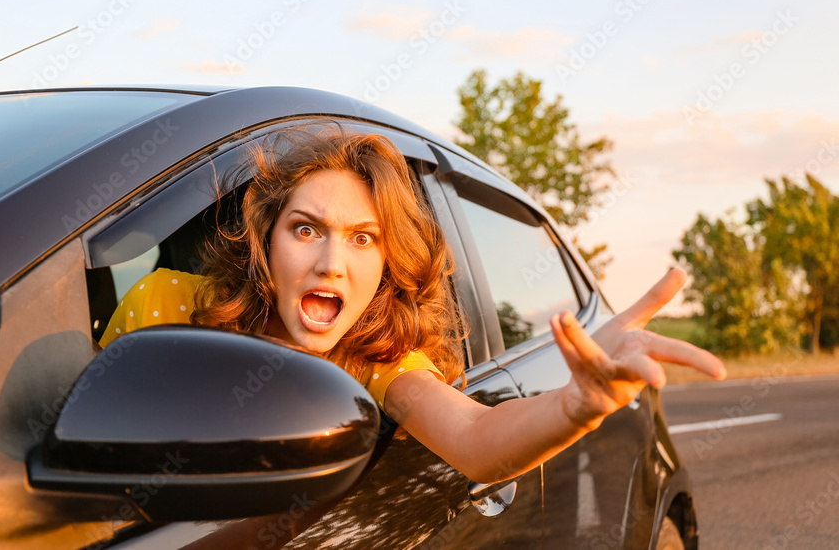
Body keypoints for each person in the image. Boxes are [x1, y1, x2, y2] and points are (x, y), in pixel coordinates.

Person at [99, 123, 725, 485]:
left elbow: (477, 435)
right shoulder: (162, 304)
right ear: (266, 240)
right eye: (307, 229)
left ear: (386, 267)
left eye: (363, 239)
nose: (331, 264)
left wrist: (575, 405)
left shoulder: (373, 362)